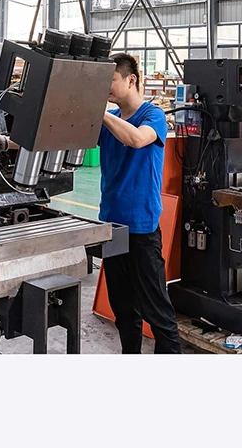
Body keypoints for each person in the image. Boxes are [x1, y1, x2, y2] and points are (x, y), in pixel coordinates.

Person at [98, 52, 181, 354]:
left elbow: (135, 139)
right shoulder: (109, 120)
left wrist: (99, 112)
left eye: (110, 80)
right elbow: (65, 138)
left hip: (142, 229)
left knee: (157, 313)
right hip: (111, 226)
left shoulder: (153, 116)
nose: (105, 88)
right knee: (123, 312)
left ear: (130, 79)